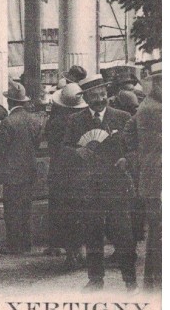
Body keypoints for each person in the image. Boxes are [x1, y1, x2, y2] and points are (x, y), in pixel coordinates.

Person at [64, 73, 137, 291]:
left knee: (122, 233)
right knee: (92, 233)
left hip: (116, 184)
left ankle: (130, 279)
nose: (100, 99)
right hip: (89, 186)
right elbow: (64, 148)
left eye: (103, 94)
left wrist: (127, 159)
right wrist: (79, 151)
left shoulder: (122, 117)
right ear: (86, 99)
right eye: (95, 96)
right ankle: (95, 279)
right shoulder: (75, 121)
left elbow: (134, 148)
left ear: (108, 94)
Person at [0, 80, 45, 254]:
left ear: (10, 102)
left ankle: (14, 245)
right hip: (29, 169)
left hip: (11, 171)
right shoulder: (35, 120)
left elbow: (1, 147)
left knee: (11, 209)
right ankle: (26, 243)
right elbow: (37, 144)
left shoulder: (8, 122)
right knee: (25, 208)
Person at [124, 61, 162, 289]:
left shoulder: (147, 105)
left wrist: (140, 156)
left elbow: (129, 130)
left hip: (152, 176)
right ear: (157, 84)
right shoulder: (156, 109)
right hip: (158, 178)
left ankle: (153, 283)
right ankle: (155, 285)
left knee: (157, 234)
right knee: (159, 234)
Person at [44, 82, 88, 266]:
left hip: (59, 170)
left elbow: (51, 144)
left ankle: (66, 249)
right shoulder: (83, 121)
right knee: (80, 209)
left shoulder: (54, 123)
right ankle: (81, 247)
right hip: (80, 171)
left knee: (61, 209)